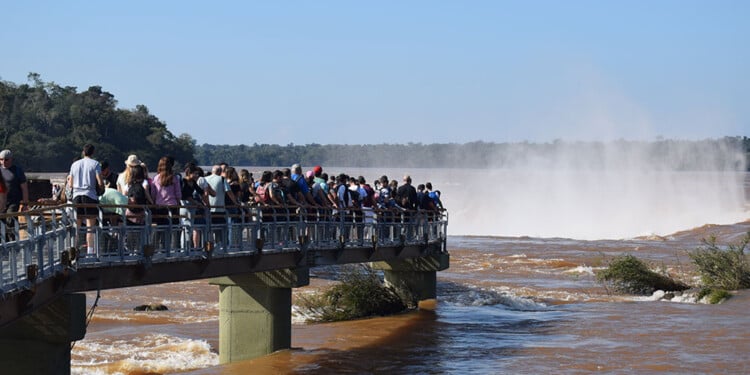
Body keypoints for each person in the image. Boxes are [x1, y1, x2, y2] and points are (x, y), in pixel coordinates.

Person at [68, 144, 104, 256]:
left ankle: (74, 250)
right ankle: (90, 252)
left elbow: (70, 183)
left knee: (77, 226)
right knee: (90, 226)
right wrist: (101, 190)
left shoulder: (74, 164)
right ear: (93, 153)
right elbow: (100, 182)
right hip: (90, 196)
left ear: (83, 152)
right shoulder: (95, 164)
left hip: (77, 196)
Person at [0, 149, 29, 214]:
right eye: (1, 159)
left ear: (11, 159)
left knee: (10, 218)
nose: (3, 161)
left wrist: (25, 205)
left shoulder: (17, 171)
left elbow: (24, 189)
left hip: (13, 202)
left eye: (6, 159)